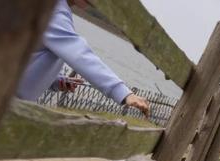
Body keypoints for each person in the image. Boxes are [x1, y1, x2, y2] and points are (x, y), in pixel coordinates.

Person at [16, 0, 150, 117]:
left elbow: (30, 55)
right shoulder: (53, 10)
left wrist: (55, 81)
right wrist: (123, 93)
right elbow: (78, 53)